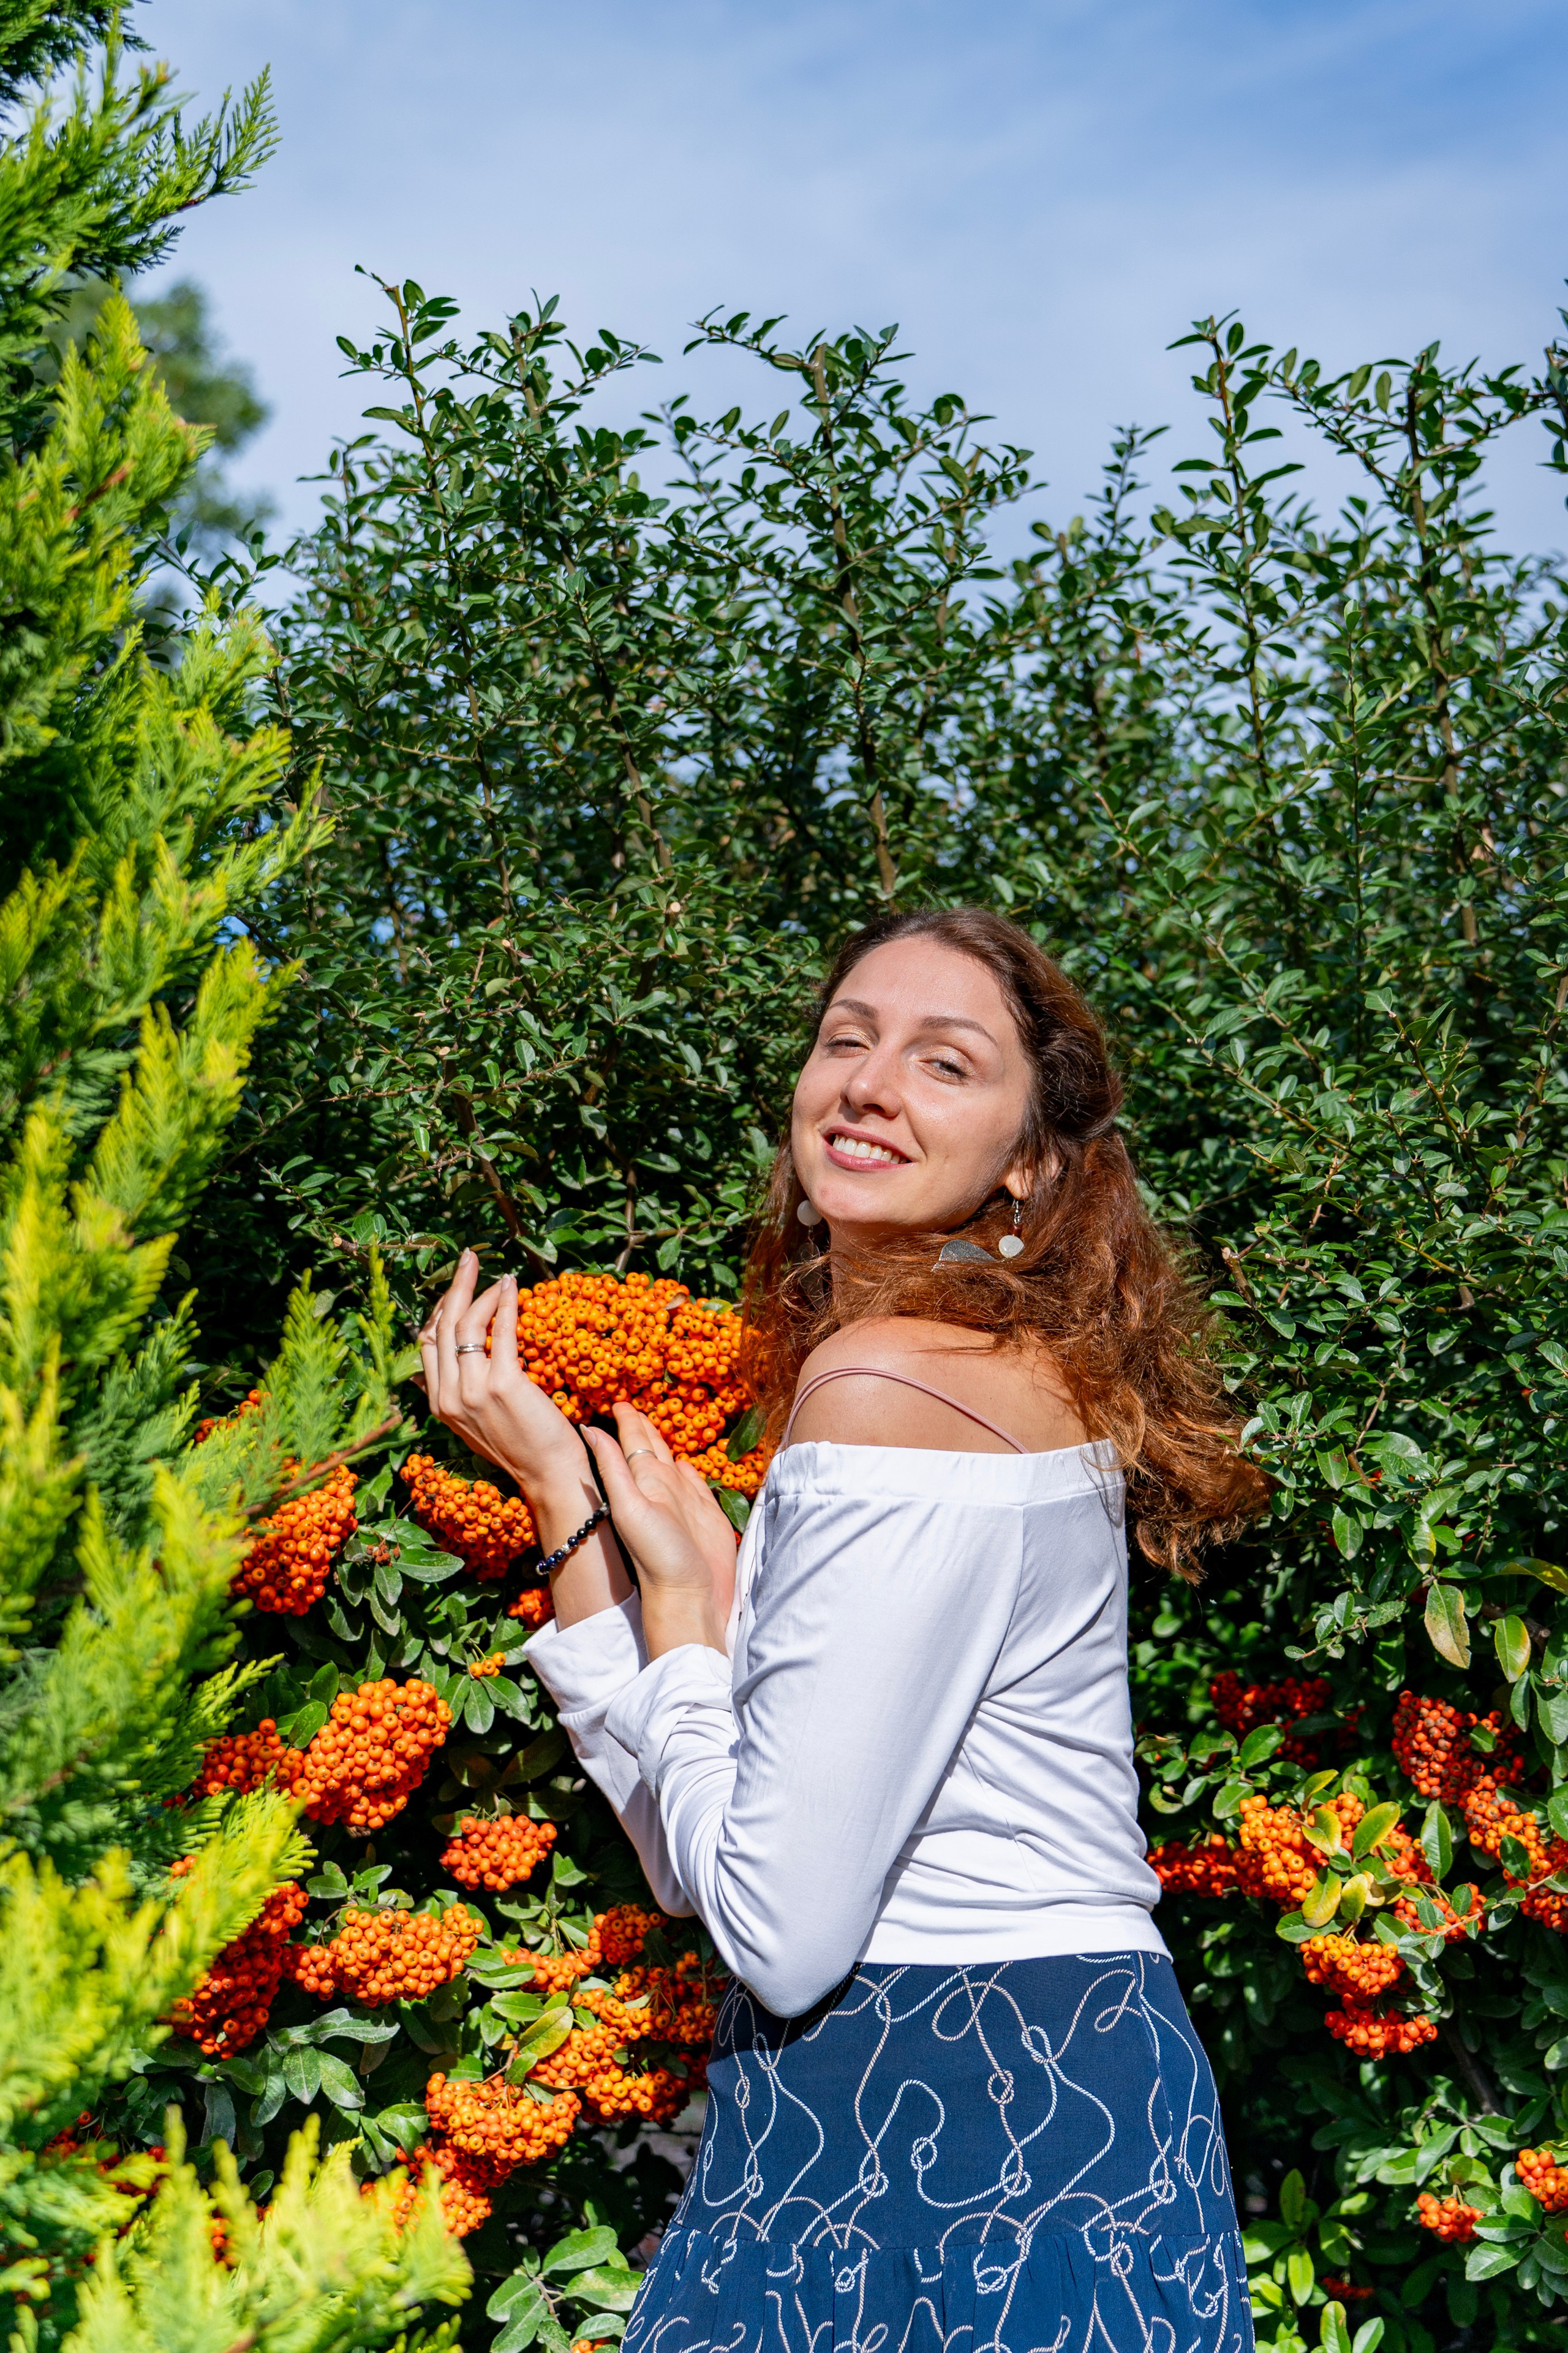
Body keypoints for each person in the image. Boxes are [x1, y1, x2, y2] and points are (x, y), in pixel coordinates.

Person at [418, 907, 1268, 2353]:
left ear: (1029, 1160)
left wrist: (690, 1618)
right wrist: (566, 1496)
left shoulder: (892, 1391)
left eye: (944, 1061)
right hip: (1026, 2099)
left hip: (948, 2101)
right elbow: (708, 1853)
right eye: (846, 1039)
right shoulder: (983, 1374)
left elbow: (777, 1931)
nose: (868, 1082)